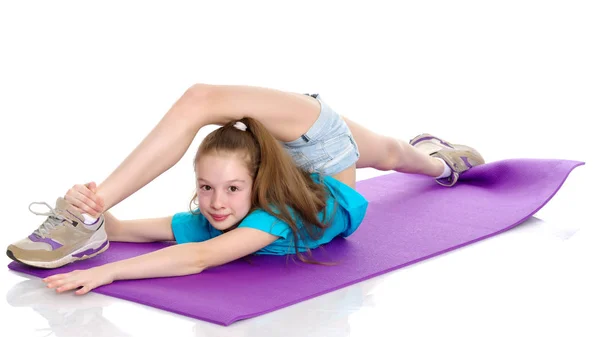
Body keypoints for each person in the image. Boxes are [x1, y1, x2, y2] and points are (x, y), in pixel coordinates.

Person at [6, 85, 484, 295]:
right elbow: (129, 231)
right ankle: (442, 162)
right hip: (315, 155)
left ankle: (439, 162)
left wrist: (107, 268)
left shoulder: (264, 216)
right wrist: (87, 208)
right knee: (395, 154)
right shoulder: (234, 213)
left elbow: (194, 258)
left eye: (231, 188)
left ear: (256, 184)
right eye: (206, 188)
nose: (215, 202)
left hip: (317, 148)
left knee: (201, 97)